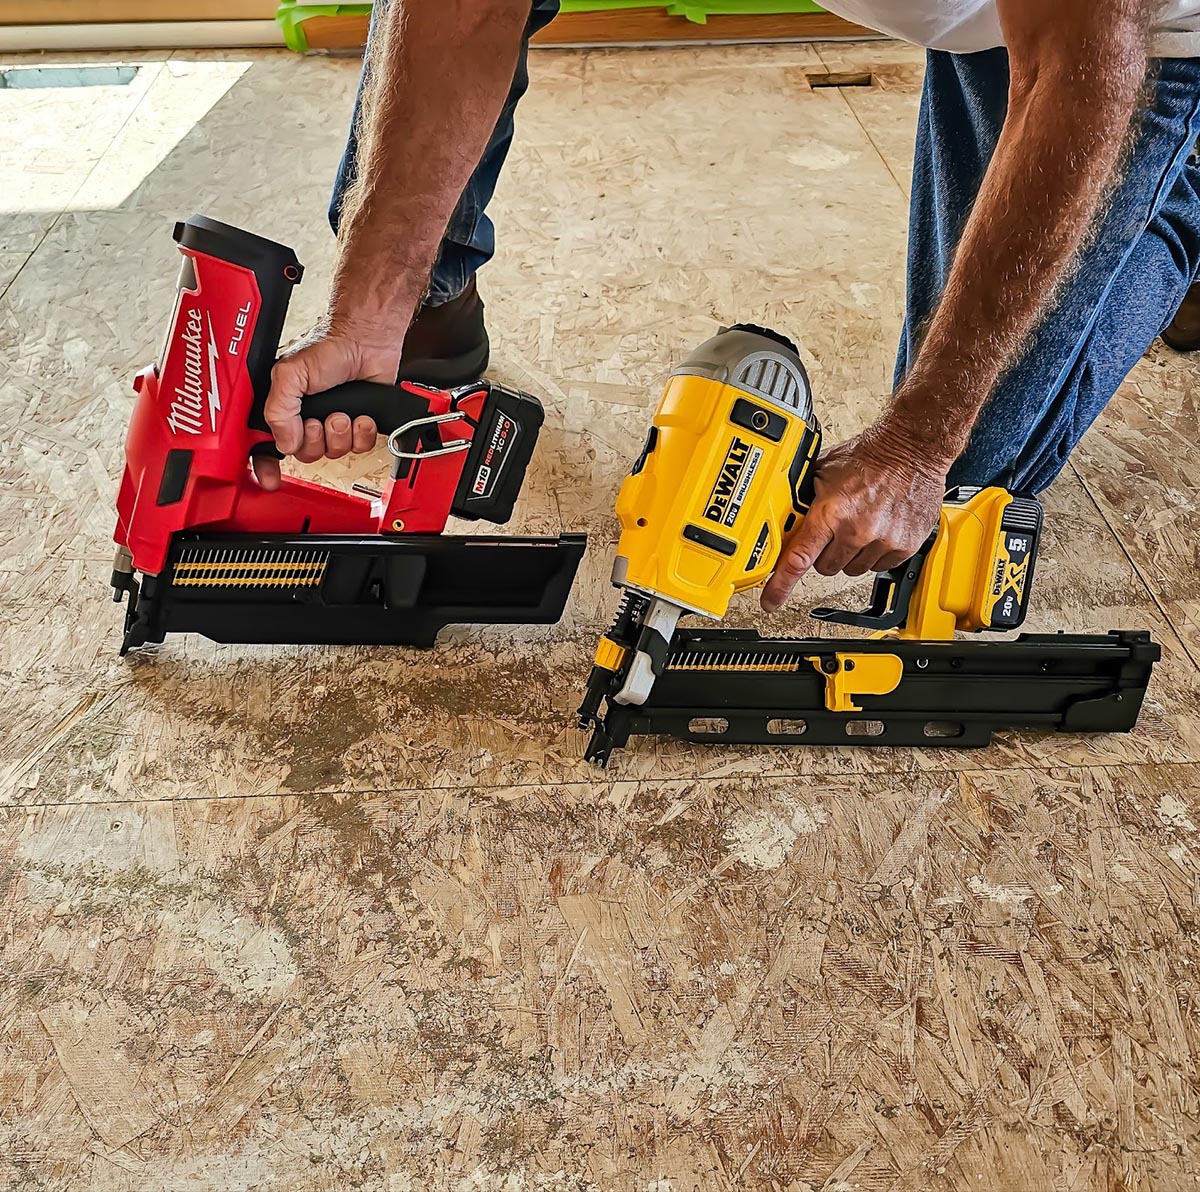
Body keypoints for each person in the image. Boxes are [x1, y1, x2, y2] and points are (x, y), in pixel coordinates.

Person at [254, 0, 1200, 613]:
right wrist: (375, 309)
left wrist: (917, 444)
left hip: (1119, 41)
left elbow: (1079, 67)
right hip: (1000, 20)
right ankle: (433, 299)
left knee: (965, 483)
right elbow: (464, 8)